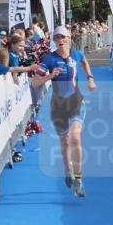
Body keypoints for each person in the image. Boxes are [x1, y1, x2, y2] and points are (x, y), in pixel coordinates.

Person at [32, 25, 96, 197]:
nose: (60, 41)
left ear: (68, 38)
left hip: (76, 103)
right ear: (54, 41)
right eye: (57, 38)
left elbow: (84, 61)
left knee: (75, 137)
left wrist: (90, 78)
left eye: (63, 37)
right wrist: (50, 76)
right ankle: (67, 170)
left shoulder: (77, 54)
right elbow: (35, 83)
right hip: (58, 107)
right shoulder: (49, 60)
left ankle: (79, 180)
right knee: (65, 142)